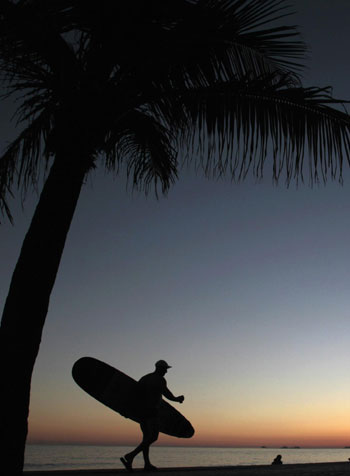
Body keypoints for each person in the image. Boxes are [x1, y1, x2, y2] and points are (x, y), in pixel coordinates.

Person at [120, 360, 184, 471]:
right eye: (165, 369)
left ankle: (147, 464)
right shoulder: (160, 380)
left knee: (146, 438)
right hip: (151, 411)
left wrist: (127, 410)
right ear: (159, 368)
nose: (166, 372)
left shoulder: (145, 378)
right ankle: (130, 456)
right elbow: (167, 394)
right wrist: (177, 399)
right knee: (153, 436)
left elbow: (134, 394)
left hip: (141, 412)